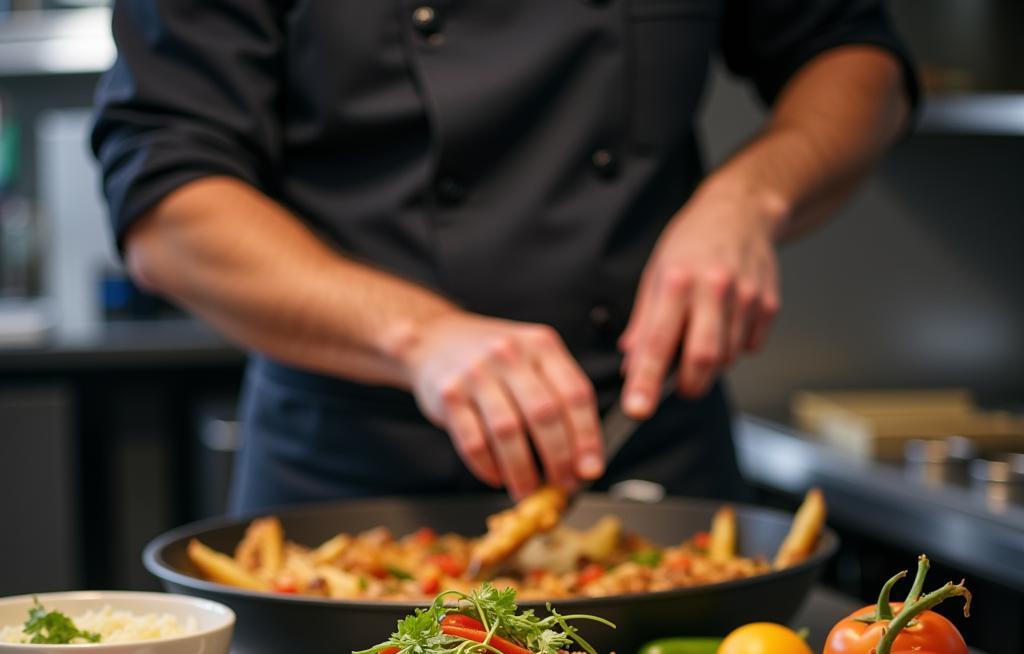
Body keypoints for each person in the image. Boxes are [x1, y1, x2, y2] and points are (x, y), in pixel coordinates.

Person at [92, 2, 915, 512]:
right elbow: (167, 202)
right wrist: (417, 335)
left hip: (649, 464)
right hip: (349, 491)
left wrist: (751, 196)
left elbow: (853, 55)